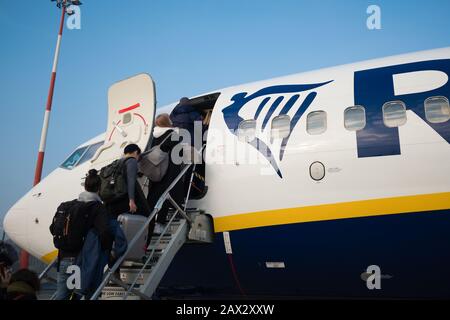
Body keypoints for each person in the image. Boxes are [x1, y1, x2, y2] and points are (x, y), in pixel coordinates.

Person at [54, 169, 113, 300]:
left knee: (62, 296)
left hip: (63, 258)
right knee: (84, 294)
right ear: (99, 188)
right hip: (81, 262)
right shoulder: (97, 207)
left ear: (85, 186)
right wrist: (107, 251)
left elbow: (53, 228)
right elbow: (104, 232)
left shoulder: (69, 205)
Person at [147, 114, 184, 240]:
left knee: (155, 196)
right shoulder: (173, 134)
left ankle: (151, 223)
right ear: (168, 122)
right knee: (168, 194)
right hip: (169, 169)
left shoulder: (154, 136)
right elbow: (179, 153)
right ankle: (160, 223)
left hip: (156, 170)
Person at [105, 144, 150, 218]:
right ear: (136, 152)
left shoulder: (116, 163)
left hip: (114, 199)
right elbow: (131, 181)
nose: (138, 159)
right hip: (125, 198)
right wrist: (131, 200)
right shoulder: (132, 161)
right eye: (138, 156)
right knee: (147, 215)